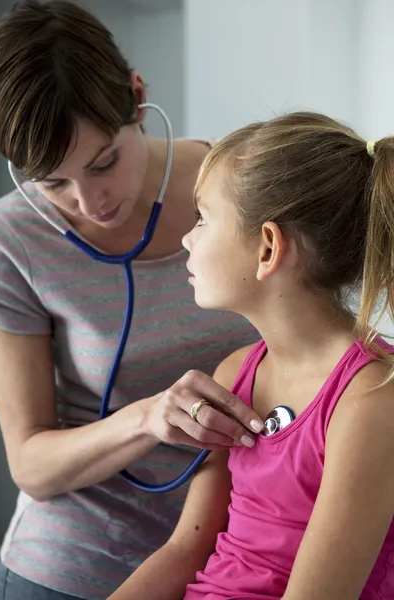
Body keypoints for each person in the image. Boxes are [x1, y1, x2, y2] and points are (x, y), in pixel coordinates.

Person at [0, 2, 262, 599]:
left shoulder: (245, 190)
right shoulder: (12, 239)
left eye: (104, 164)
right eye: (54, 182)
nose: (89, 204)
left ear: (138, 99)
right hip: (70, 571)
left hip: (231, 565)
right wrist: (146, 418)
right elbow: (31, 466)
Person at [108, 112, 394, 600]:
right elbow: (185, 552)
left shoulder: (371, 398)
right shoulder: (235, 371)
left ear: (267, 249)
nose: (187, 238)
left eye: (203, 218)